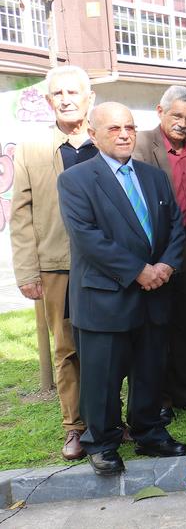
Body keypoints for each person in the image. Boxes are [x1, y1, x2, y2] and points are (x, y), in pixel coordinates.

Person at [57, 102, 186, 476]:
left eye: (129, 127)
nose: (124, 134)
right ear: (94, 134)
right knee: (102, 378)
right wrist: (137, 271)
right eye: (114, 128)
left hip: (155, 294)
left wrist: (164, 265)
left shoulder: (154, 177)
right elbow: (87, 238)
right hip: (106, 297)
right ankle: (102, 442)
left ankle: (149, 432)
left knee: (150, 369)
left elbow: (175, 227)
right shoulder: (76, 180)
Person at [10, 65, 98, 461]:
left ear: (88, 98)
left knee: (109, 344)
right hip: (57, 265)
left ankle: (107, 420)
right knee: (67, 349)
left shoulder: (105, 141)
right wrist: (28, 272)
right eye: (57, 93)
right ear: (48, 101)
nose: (65, 99)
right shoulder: (31, 149)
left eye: (73, 92)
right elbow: (22, 214)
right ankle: (74, 428)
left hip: (105, 263)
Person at [133, 85, 186, 421]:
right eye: (177, 115)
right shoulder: (139, 144)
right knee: (156, 325)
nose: (183, 123)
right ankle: (159, 398)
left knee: (185, 321)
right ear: (160, 111)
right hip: (155, 248)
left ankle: (184, 393)